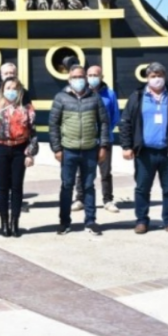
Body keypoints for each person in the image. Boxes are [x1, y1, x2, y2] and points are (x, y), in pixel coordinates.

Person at [120, 62, 168, 235]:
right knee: (142, 188)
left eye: (159, 75)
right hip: (144, 152)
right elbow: (126, 123)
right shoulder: (137, 97)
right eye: (153, 76)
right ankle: (141, 221)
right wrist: (126, 146)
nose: (156, 79)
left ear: (164, 76)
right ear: (147, 78)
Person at [49, 65, 110, 236]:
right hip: (68, 150)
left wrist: (103, 146)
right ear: (69, 79)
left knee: (89, 186)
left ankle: (90, 221)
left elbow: (104, 122)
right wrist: (57, 148)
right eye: (75, 77)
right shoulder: (61, 98)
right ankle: (64, 221)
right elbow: (53, 124)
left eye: (81, 77)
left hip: (90, 149)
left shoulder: (95, 97)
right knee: (67, 186)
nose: (78, 80)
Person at [0, 77, 38, 237]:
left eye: (15, 88)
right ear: (2, 90)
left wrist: (30, 153)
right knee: (2, 187)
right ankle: (4, 221)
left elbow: (33, 132)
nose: (11, 91)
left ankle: (15, 222)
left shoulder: (27, 108)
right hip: (0, 147)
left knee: (16, 186)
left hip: (20, 149)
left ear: (19, 90)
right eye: (8, 88)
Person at [72, 65, 121, 213]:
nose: (92, 77)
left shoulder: (109, 94)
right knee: (83, 171)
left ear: (101, 76)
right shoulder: (82, 93)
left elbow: (115, 116)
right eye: (90, 75)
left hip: (104, 140)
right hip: (86, 139)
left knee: (105, 172)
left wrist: (104, 133)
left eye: (96, 75)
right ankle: (80, 199)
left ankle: (108, 200)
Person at [0, 62, 31, 211]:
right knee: (0, 176)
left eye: (12, 73)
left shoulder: (24, 92)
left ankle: (16, 205)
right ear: (1, 74)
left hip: (19, 144)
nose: (9, 76)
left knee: (17, 179)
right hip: (1, 144)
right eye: (6, 73)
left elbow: (31, 121)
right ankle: (1, 202)